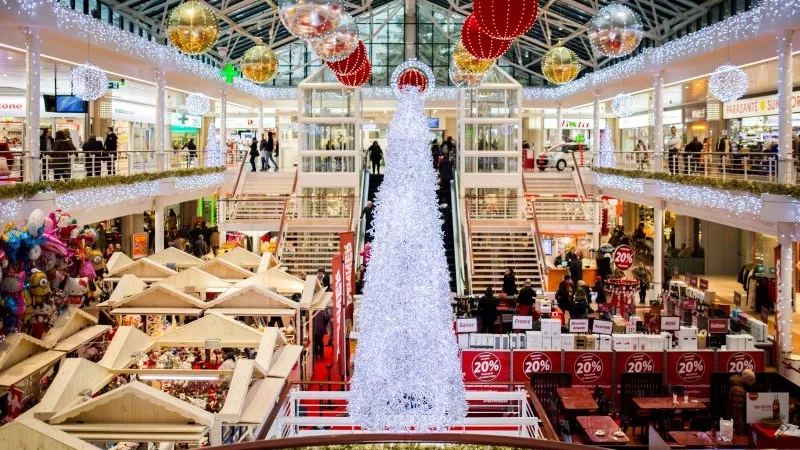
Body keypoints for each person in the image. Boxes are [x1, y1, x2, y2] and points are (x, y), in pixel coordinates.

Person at [729, 369, 756, 436]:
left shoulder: (741, 387)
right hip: (740, 427)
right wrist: (741, 432)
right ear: (746, 379)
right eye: (752, 380)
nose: (754, 382)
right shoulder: (739, 391)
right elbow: (737, 414)